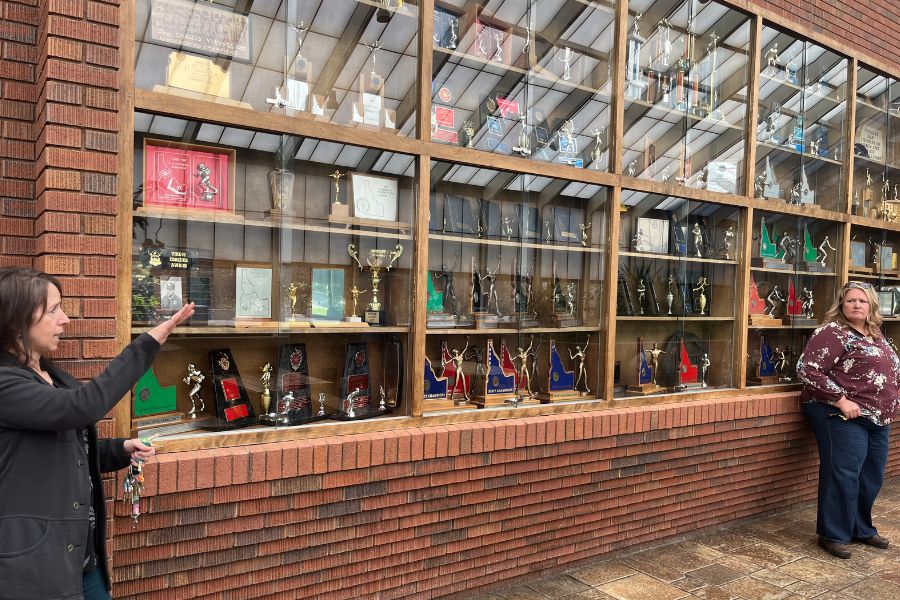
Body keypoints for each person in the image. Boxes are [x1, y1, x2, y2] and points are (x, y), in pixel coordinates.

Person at [0, 267, 195, 599]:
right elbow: (82, 407)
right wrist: (148, 343)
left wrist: (120, 449)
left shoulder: (49, 375)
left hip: (80, 557)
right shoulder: (6, 384)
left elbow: (65, 449)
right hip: (34, 565)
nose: (65, 320)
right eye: (52, 310)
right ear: (16, 322)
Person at [796, 281, 900, 559]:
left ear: (871, 306)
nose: (857, 305)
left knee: (872, 475)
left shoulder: (875, 334)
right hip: (842, 414)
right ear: (842, 305)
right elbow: (808, 369)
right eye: (851, 300)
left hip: (878, 418)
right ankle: (833, 534)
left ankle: (860, 528)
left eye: (862, 301)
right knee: (843, 473)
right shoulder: (832, 333)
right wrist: (841, 400)